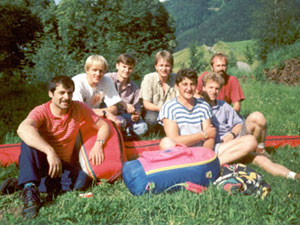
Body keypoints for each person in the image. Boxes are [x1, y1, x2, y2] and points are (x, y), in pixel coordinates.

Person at [0, 76, 111, 219]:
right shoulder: (41, 111)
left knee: (82, 181)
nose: (66, 97)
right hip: (41, 159)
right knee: (29, 139)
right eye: (62, 93)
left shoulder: (78, 108)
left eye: (70, 93)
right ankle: (29, 192)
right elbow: (22, 129)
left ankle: (22, 182)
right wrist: (49, 151)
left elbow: (104, 126)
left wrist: (99, 144)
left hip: (60, 166)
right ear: (51, 94)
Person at [201, 72, 300, 181]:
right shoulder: (199, 106)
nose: (214, 91)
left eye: (216, 88)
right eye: (210, 87)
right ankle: (214, 165)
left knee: (260, 156)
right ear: (203, 87)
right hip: (219, 147)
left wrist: (232, 134)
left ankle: (292, 175)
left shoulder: (223, 105)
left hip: (235, 140)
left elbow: (238, 124)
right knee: (253, 151)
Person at [159, 69, 259, 167]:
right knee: (166, 143)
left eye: (192, 84)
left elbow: (210, 136)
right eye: (185, 84)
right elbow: (175, 139)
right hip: (182, 151)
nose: (189, 88)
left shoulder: (203, 106)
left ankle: (210, 164)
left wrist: (205, 154)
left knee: (251, 141)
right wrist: (202, 135)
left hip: (204, 151)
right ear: (177, 86)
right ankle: (201, 164)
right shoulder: (169, 107)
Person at [72, 55, 122, 126]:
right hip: (78, 119)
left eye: (101, 71)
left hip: (97, 117)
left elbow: (114, 108)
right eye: (94, 70)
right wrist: (105, 113)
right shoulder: (77, 81)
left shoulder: (106, 80)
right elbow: (79, 110)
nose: (98, 74)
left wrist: (102, 113)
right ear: (87, 70)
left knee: (120, 121)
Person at [105, 53, 148, 138]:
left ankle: (124, 131)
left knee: (143, 127)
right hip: (109, 113)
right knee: (115, 122)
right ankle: (123, 132)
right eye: (124, 66)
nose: (126, 70)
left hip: (125, 116)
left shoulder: (134, 88)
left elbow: (137, 107)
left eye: (130, 68)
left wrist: (136, 115)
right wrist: (124, 104)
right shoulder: (108, 78)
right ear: (117, 66)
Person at [140, 50, 177, 130]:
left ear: (171, 67)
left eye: (167, 65)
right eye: (161, 65)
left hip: (172, 111)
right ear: (156, 66)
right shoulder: (149, 78)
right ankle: (157, 130)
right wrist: (161, 109)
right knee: (152, 119)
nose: (164, 68)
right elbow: (146, 103)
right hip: (153, 110)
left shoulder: (176, 78)